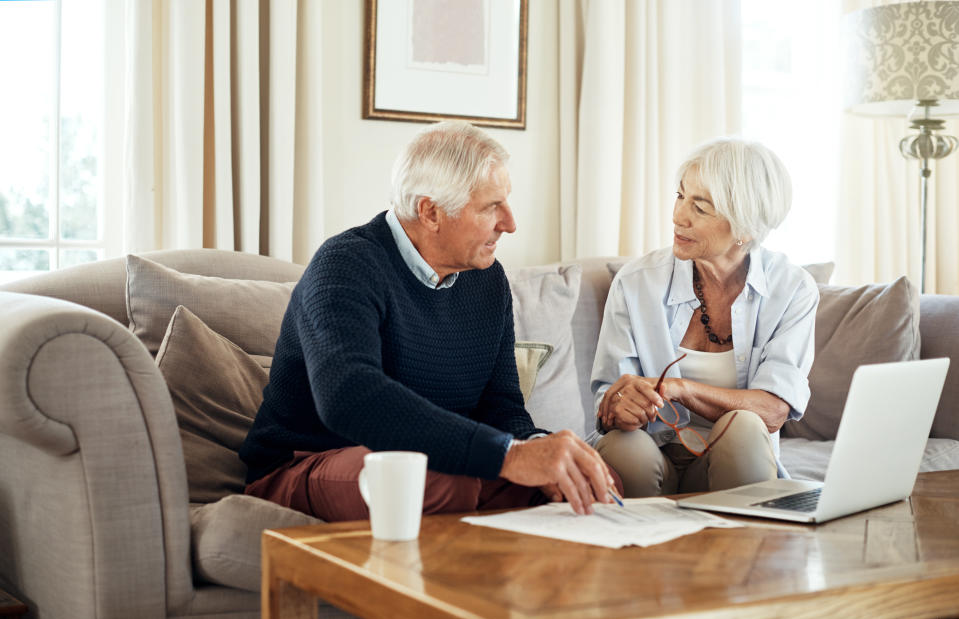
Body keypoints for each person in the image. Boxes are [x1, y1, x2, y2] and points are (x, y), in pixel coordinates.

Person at [240, 120, 619, 518]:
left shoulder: (488, 280)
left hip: (441, 467)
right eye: (492, 206)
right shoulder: (345, 265)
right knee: (438, 481)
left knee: (592, 481)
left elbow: (502, 406)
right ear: (431, 212)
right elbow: (350, 399)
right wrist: (507, 456)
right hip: (307, 464)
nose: (510, 222)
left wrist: (540, 450)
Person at [590, 138, 818, 497]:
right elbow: (608, 395)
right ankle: (642, 545)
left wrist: (681, 390)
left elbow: (773, 409)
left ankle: (739, 547)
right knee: (623, 444)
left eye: (700, 207)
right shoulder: (636, 283)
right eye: (680, 197)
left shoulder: (792, 290)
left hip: (732, 457)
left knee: (743, 425)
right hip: (653, 454)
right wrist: (619, 406)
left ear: (745, 228)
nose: (678, 216)